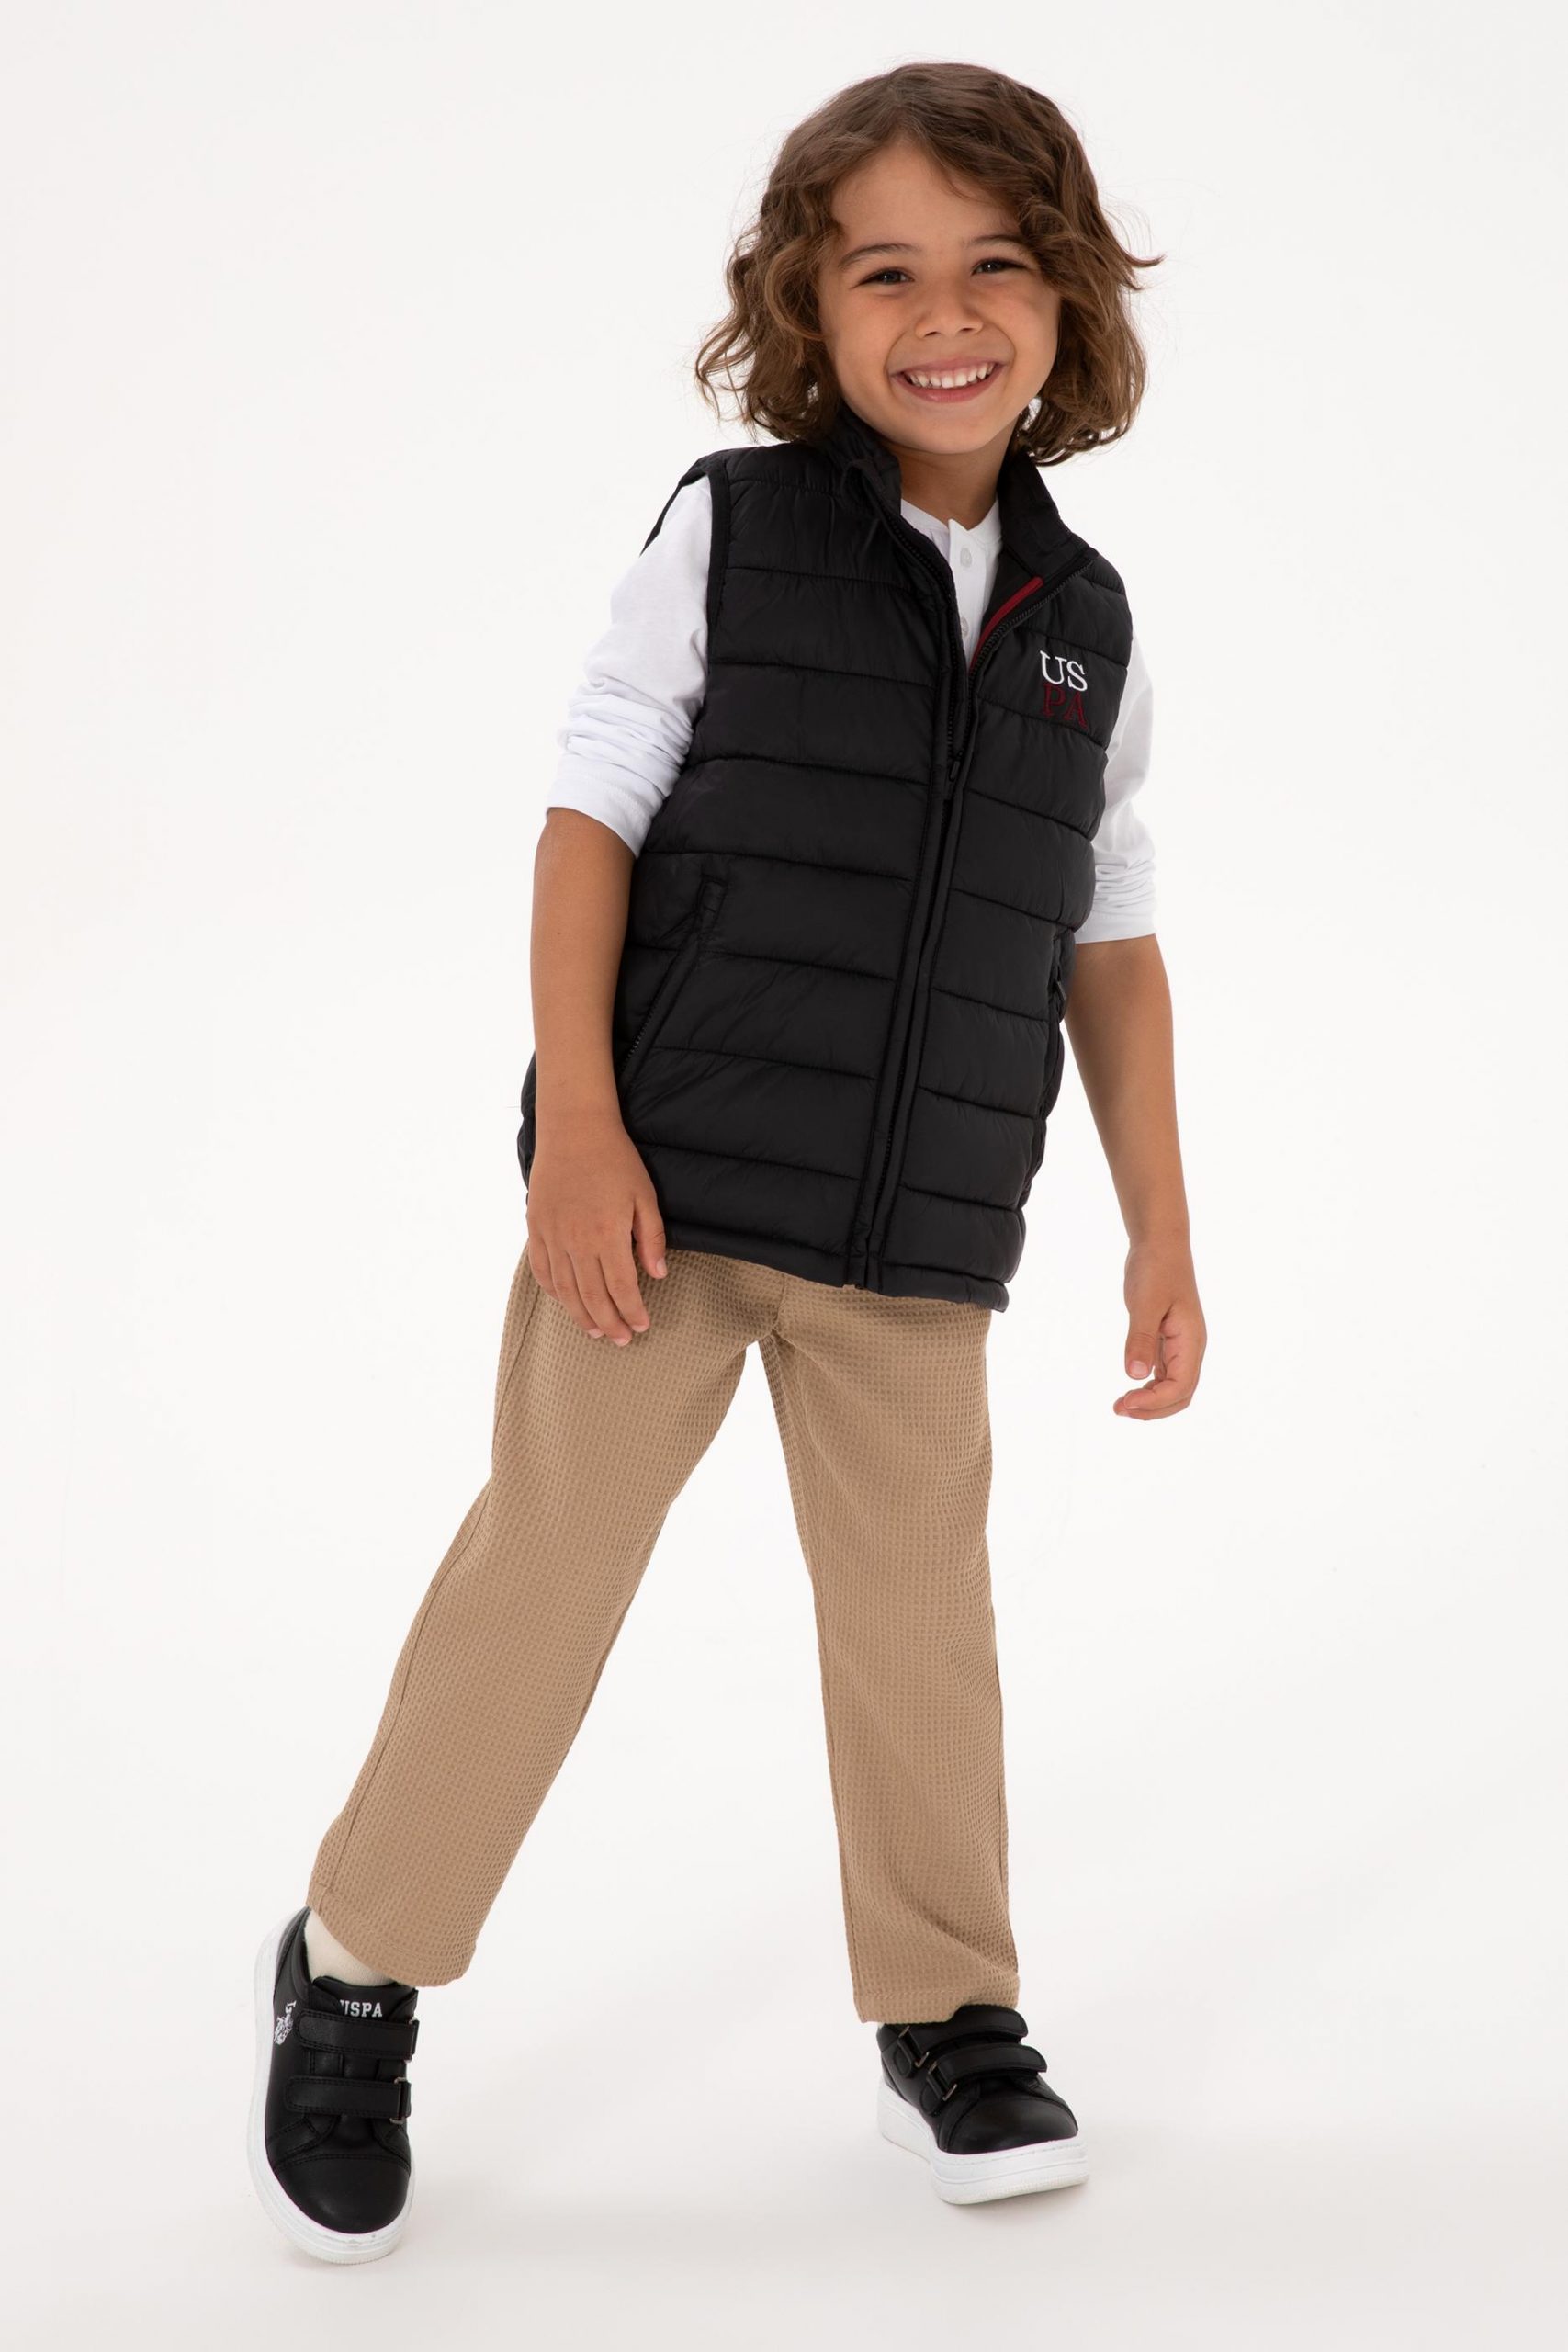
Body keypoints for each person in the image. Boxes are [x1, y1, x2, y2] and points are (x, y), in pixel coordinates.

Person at [248, 59, 1208, 2262]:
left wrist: (1160, 1222)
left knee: (917, 1621)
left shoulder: (1085, 618)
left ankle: (946, 2009)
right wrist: (578, 1123)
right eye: (883, 271)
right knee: (544, 1578)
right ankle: (356, 1962)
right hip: (658, 1199)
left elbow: (1109, 922)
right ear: (806, 303)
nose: (942, 314)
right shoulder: (735, 528)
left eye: (994, 264)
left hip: (915, 1234)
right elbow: (590, 807)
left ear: (1066, 298)